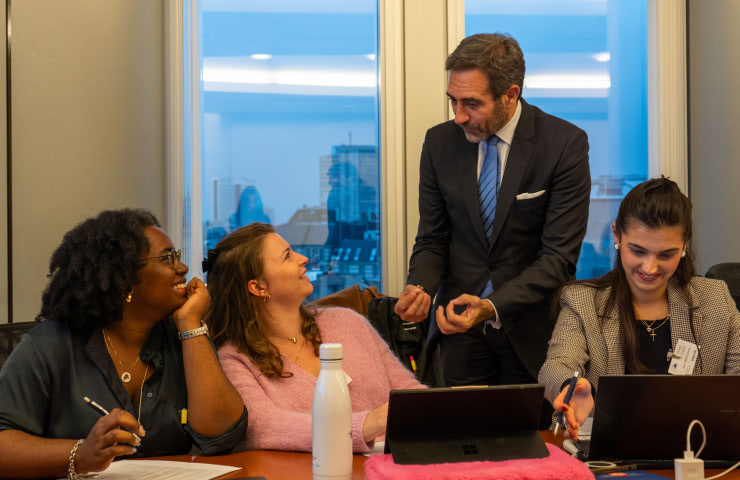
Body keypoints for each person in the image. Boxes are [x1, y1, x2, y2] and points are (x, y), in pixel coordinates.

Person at [394, 33, 591, 389]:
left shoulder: (563, 145)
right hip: (459, 332)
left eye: (471, 104)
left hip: (532, 332)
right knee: (460, 439)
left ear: (510, 95)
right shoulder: (439, 144)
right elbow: (433, 239)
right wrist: (419, 286)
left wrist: (492, 306)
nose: (458, 116)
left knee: (534, 442)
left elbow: (558, 258)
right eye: (453, 101)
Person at [0, 209, 247, 479]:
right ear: (125, 278)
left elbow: (222, 435)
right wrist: (80, 454)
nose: (183, 268)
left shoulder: (183, 337)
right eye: (168, 258)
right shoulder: (49, 346)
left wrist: (191, 325)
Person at [538, 177, 740, 440]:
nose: (649, 268)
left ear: (683, 247)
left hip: (696, 453)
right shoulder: (582, 300)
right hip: (607, 456)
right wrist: (572, 387)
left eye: (666, 255)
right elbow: (556, 366)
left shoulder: (716, 299)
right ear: (616, 235)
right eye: (638, 251)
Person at [204, 223, 422, 453]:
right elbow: (262, 427)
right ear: (258, 287)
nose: (303, 259)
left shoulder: (348, 322)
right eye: (287, 256)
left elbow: (408, 391)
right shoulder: (235, 360)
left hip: (395, 468)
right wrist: (366, 424)